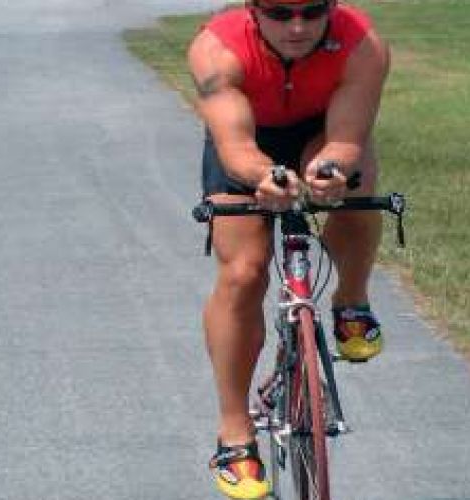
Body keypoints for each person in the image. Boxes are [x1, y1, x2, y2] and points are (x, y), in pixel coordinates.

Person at [187, 0, 390, 497]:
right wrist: (265, 177)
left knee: (356, 191)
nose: (297, 26)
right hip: (246, 139)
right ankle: (235, 432)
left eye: (312, 11)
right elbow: (236, 148)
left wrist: (333, 168)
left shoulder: (362, 43)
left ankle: (351, 300)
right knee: (244, 272)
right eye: (279, 13)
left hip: (322, 131)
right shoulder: (217, 47)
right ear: (255, 11)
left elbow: (345, 137)